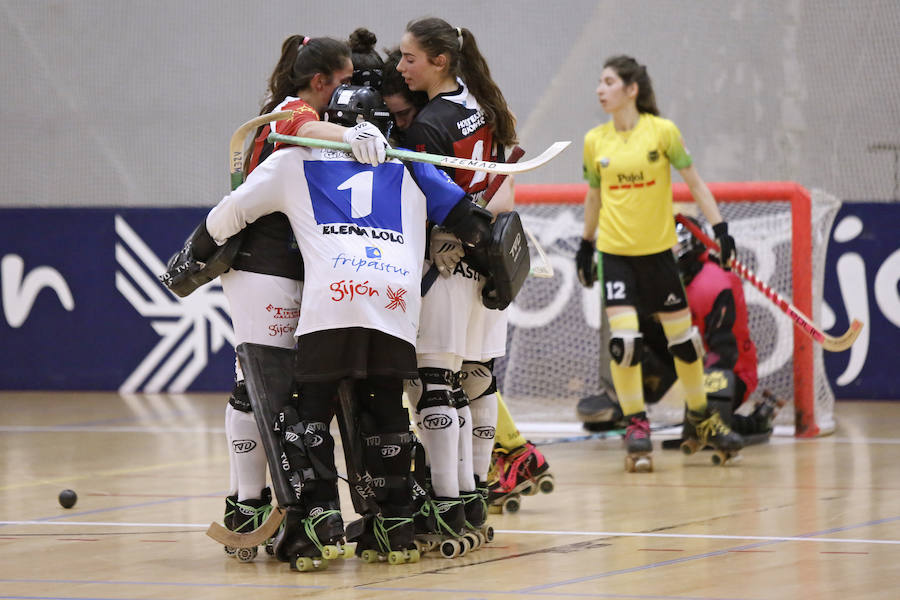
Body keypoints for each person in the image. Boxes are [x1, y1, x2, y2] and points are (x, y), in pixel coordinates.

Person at [216, 33, 391, 559]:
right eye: (340, 84)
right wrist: (352, 134)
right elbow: (307, 127)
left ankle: (309, 511)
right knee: (257, 389)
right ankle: (246, 504)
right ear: (320, 82)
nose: (346, 94)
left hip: (300, 269)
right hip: (261, 269)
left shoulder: (297, 111)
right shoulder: (291, 113)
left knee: (292, 394)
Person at [396, 17, 552, 534]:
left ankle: (451, 504)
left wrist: (458, 225)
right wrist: (482, 231)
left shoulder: (429, 124)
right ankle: (476, 498)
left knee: (437, 383)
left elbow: (426, 194)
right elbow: (503, 187)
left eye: (409, 58)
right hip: (486, 265)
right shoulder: (482, 105)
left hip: (444, 265)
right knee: (477, 382)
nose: (401, 68)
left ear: (439, 61)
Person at [575, 55, 743, 472]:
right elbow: (594, 197)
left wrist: (721, 230)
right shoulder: (596, 140)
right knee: (626, 342)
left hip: (659, 255)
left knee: (683, 342)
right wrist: (585, 244)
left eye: (608, 81)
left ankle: (702, 419)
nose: (600, 88)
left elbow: (696, 184)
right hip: (614, 255)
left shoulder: (662, 132)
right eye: (599, 81)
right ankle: (636, 424)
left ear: (631, 90)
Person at [577, 217, 779, 440]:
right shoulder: (659, 279)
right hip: (680, 351)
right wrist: (603, 272)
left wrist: (703, 404)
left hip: (729, 366)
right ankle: (625, 405)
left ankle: (755, 422)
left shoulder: (714, 284)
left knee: (704, 418)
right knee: (632, 335)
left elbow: (725, 350)